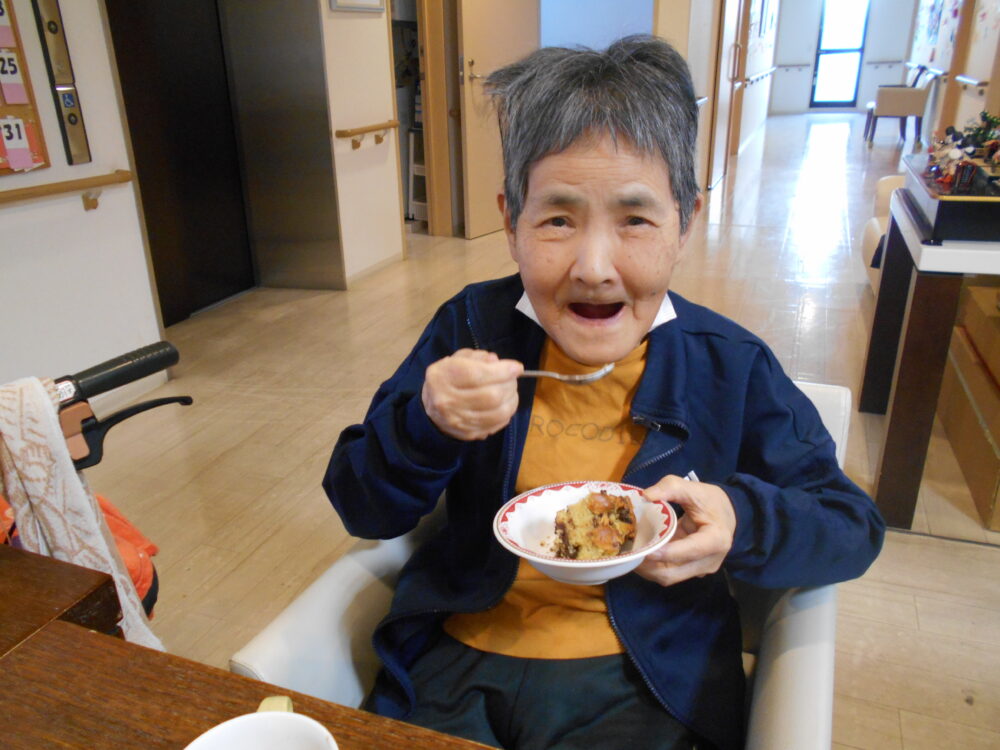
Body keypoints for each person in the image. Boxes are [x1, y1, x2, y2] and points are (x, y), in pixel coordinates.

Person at [324, 35, 884, 750]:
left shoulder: (729, 366)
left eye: (635, 220)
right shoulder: (471, 328)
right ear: (510, 221)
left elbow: (850, 525)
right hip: (456, 662)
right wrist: (426, 424)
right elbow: (362, 506)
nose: (593, 267)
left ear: (686, 222)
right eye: (557, 219)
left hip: (646, 680)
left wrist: (740, 518)